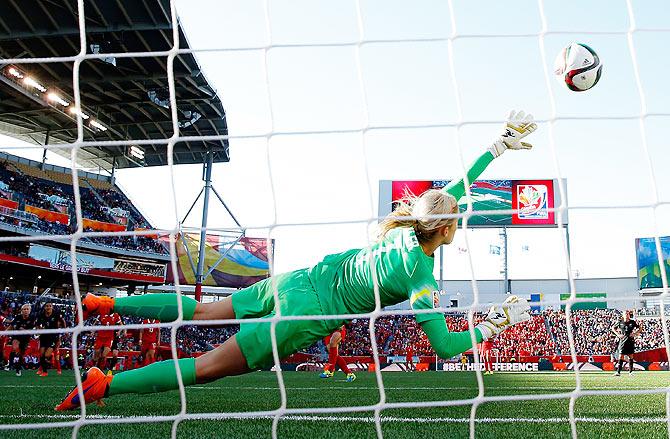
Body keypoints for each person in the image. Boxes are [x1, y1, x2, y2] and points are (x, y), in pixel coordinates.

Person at [56, 110, 537, 410]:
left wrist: (497, 145)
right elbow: (448, 350)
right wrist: (496, 323)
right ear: (449, 230)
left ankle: (108, 303)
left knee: (201, 309)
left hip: (294, 280)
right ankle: (103, 386)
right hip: (301, 318)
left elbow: (455, 187)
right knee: (203, 368)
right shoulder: (420, 274)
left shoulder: (408, 226)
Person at [35, 302, 66, 377]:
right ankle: (44, 372)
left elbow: (62, 321)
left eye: (50, 306)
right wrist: (39, 329)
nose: (48, 307)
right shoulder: (41, 315)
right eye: (47, 306)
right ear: (44, 307)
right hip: (43, 336)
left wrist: (64, 329)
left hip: (53, 337)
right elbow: (37, 325)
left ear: (52, 307)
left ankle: (56, 369)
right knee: (41, 354)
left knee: (47, 355)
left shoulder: (56, 314)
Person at [7, 304, 34, 377]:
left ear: (30, 311)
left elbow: (32, 330)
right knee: (15, 348)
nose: (25, 310)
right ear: (21, 310)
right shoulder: (18, 317)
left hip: (25, 338)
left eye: (27, 309)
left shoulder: (32, 318)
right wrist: (4, 332)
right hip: (17, 336)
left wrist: (24, 330)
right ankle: (10, 365)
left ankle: (18, 369)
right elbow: (11, 325)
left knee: (21, 354)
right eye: (24, 309)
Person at [612, 310, 640, 376]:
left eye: (628, 314)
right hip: (623, 341)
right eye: (625, 314)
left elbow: (640, 328)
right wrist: (618, 334)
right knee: (620, 356)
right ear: (623, 315)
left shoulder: (632, 322)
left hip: (630, 340)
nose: (627, 315)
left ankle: (631, 372)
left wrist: (635, 333)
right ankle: (618, 372)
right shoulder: (620, 322)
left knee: (631, 356)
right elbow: (613, 328)